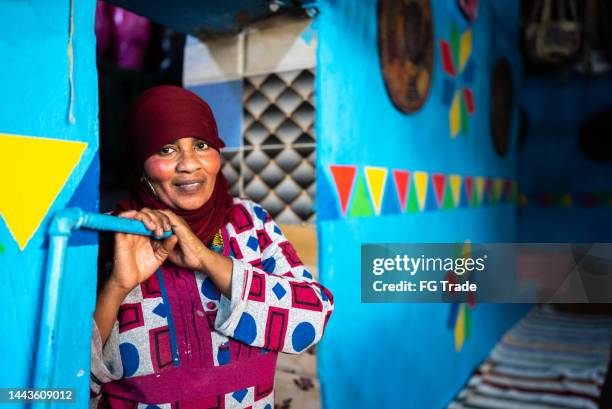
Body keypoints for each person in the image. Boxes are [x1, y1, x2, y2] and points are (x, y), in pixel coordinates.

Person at [91, 85, 334, 408]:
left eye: (202, 145)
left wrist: (206, 260)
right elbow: (67, 378)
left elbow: (313, 317)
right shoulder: (110, 235)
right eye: (166, 149)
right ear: (141, 162)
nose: (190, 164)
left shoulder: (250, 221)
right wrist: (118, 286)